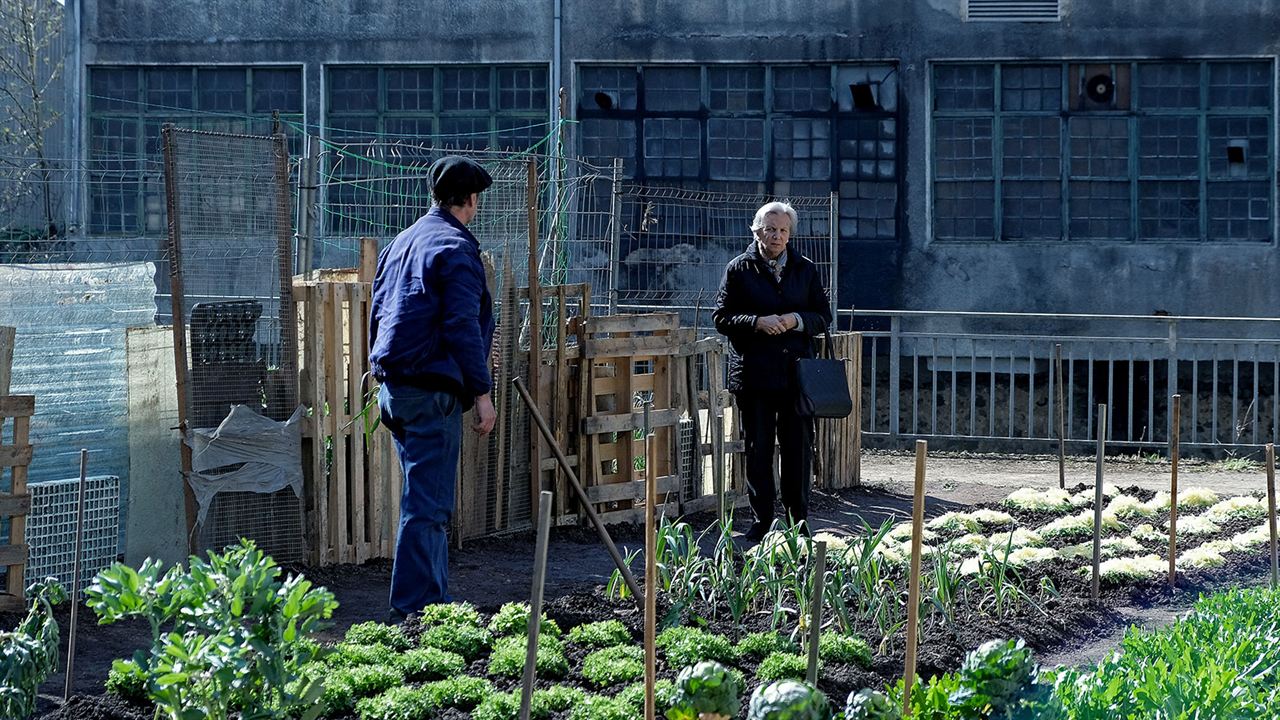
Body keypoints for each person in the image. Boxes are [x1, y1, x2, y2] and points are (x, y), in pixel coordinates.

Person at [368, 155, 498, 618]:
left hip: (395, 388)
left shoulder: (401, 243)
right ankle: (416, 613)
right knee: (429, 507)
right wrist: (482, 394)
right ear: (471, 199)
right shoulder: (455, 249)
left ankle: (430, 606)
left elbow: (378, 311)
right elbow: (462, 324)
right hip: (430, 389)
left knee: (421, 501)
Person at [712, 201, 831, 541]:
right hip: (754, 375)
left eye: (782, 230)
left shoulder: (805, 269)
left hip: (797, 375)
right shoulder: (739, 269)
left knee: (798, 449)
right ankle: (762, 520)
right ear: (757, 231)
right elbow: (721, 318)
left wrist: (797, 320)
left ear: (790, 234)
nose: (776, 235)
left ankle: (798, 521)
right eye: (770, 229)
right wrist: (756, 323)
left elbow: (823, 316)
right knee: (758, 449)